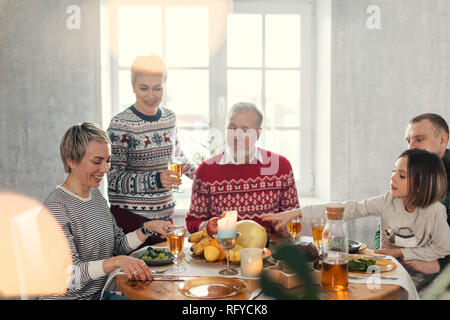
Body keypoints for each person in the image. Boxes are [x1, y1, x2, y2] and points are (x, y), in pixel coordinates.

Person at [263, 148, 450, 291]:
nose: (392, 177)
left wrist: (402, 254)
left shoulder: (435, 212)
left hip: (421, 280)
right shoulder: (387, 201)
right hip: (386, 273)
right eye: (393, 171)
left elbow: (443, 248)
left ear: (421, 184)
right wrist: (296, 213)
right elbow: (348, 208)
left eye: (402, 175)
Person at [41, 123, 171, 300]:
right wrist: (116, 262)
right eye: (97, 161)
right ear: (71, 160)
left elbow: (119, 246)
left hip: (100, 295)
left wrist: (147, 228)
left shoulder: (96, 196)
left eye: (108, 160)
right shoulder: (56, 207)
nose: (105, 169)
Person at [107, 55, 195, 247]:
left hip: (165, 219)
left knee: (169, 273)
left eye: (157, 88)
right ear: (133, 86)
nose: (151, 95)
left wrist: (203, 176)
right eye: (143, 88)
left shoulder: (170, 118)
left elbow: (178, 156)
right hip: (131, 220)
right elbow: (113, 179)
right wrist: (156, 180)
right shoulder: (120, 124)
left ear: (165, 85)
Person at [185, 102, 300, 234]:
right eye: (232, 128)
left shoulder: (282, 166)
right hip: (224, 250)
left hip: (270, 251)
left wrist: (287, 228)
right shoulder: (205, 170)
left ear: (258, 134)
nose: (236, 136)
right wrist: (206, 226)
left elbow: (295, 218)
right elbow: (192, 222)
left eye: (245, 130)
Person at [374, 113, 449, 275]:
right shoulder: (408, 172)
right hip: (402, 265)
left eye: (419, 139)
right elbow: (384, 225)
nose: (410, 147)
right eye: (408, 141)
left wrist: (438, 265)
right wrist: (382, 256)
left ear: (442, 140)